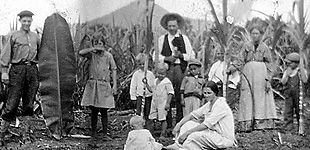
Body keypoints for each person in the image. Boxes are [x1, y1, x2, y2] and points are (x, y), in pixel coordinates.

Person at [0, 10, 40, 145]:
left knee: (29, 104)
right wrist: (4, 71)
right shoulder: (13, 36)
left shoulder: (35, 37)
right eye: (24, 21)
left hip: (32, 70)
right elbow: (5, 55)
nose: (27, 23)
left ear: (31, 22)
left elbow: (41, 55)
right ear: (20, 21)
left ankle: (26, 135)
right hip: (17, 70)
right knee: (12, 104)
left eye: (29, 21)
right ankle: (1, 135)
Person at [165, 81, 236, 150]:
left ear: (215, 93)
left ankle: (183, 148)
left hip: (223, 138)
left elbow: (205, 125)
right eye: (205, 93)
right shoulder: (209, 104)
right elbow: (192, 115)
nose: (206, 95)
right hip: (212, 133)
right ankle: (178, 145)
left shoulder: (221, 105)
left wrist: (187, 133)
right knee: (188, 125)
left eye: (209, 93)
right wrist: (179, 124)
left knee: (193, 136)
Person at [154, 13, 195, 127]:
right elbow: (155, 56)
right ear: (166, 27)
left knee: (179, 95)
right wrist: (167, 58)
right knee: (166, 96)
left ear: (178, 26)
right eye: (170, 26)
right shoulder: (162, 39)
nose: (172, 28)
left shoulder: (184, 39)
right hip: (167, 70)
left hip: (180, 69)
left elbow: (192, 55)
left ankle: (180, 123)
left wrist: (181, 56)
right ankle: (167, 124)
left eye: (174, 26)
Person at [235, 26, 277, 132]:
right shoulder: (246, 46)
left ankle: (261, 123)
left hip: (261, 74)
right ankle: (247, 123)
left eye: (257, 33)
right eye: (253, 33)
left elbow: (269, 63)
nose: (255, 36)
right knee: (247, 96)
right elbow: (240, 60)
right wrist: (232, 68)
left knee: (261, 97)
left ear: (261, 35)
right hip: (248, 73)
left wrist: (268, 79)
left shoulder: (265, 47)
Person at [79, 33, 117, 140]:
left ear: (104, 44)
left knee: (104, 110)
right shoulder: (92, 54)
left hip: (104, 85)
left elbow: (114, 69)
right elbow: (81, 52)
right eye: (96, 43)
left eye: (100, 43)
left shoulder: (108, 56)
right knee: (94, 110)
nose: (98, 46)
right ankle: (94, 133)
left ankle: (105, 134)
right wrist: (93, 48)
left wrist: (115, 85)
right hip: (93, 85)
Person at [281, 52, 308, 132]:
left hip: (298, 94)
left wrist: (302, 68)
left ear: (296, 63)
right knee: (288, 110)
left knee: (299, 110)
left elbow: (305, 80)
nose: (288, 65)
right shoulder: (287, 71)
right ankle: (288, 127)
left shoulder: (300, 71)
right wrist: (287, 75)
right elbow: (283, 82)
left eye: (290, 63)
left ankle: (301, 127)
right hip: (289, 94)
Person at [147, 63, 174, 139]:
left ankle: (163, 134)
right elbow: (151, 90)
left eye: (163, 74)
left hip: (163, 102)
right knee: (151, 117)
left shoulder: (167, 82)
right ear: (156, 73)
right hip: (154, 101)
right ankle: (151, 134)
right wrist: (146, 84)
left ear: (166, 74)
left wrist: (168, 103)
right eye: (159, 73)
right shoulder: (155, 81)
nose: (160, 75)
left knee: (163, 118)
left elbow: (170, 93)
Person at [130, 53, 155, 130]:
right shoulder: (136, 74)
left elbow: (153, 87)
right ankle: (139, 128)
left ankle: (148, 128)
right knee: (139, 113)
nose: (142, 66)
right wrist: (133, 97)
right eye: (140, 64)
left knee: (148, 113)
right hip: (140, 97)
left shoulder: (150, 74)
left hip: (148, 97)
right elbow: (133, 86)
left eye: (143, 64)